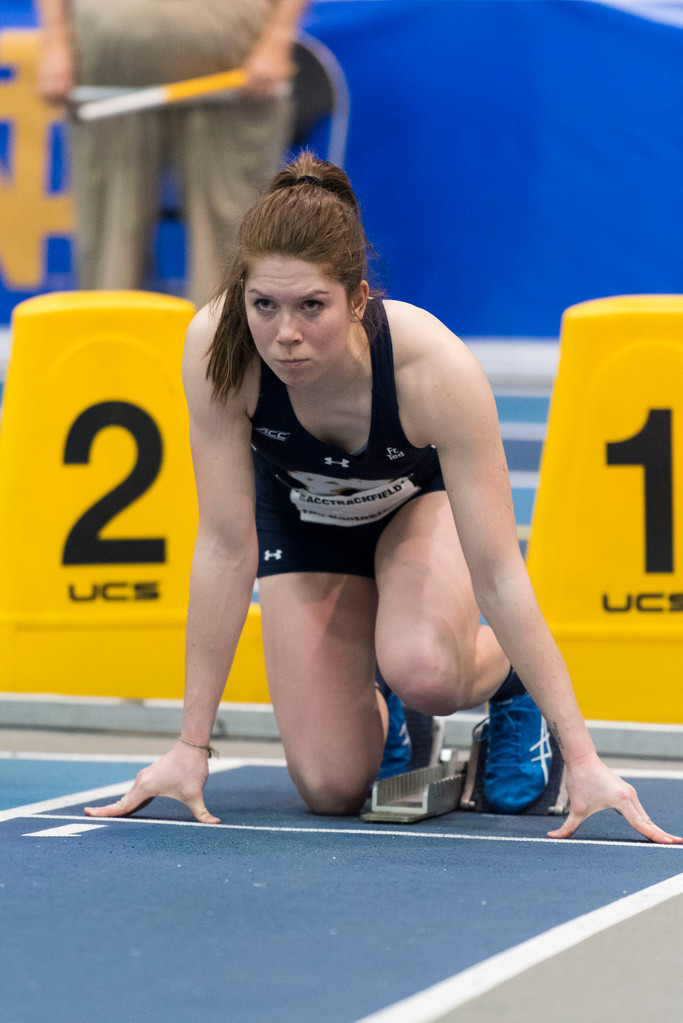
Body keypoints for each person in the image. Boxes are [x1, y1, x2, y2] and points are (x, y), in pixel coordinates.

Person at [85, 153, 681, 843]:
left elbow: (497, 572)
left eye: (312, 306)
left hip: (416, 508)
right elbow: (224, 545)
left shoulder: (435, 371)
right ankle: (394, 714)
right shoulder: (218, 349)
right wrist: (191, 746)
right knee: (331, 786)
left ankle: (505, 681)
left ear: (358, 300)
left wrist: (583, 756)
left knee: (424, 670)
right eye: (263, 305)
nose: (284, 334)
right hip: (304, 523)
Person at [36, 0, 308, 307]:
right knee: (109, 251)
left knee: (233, 240)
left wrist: (278, 36)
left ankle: (226, 335)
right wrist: (54, 41)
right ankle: (107, 333)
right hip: (109, 75)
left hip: (232, 77)